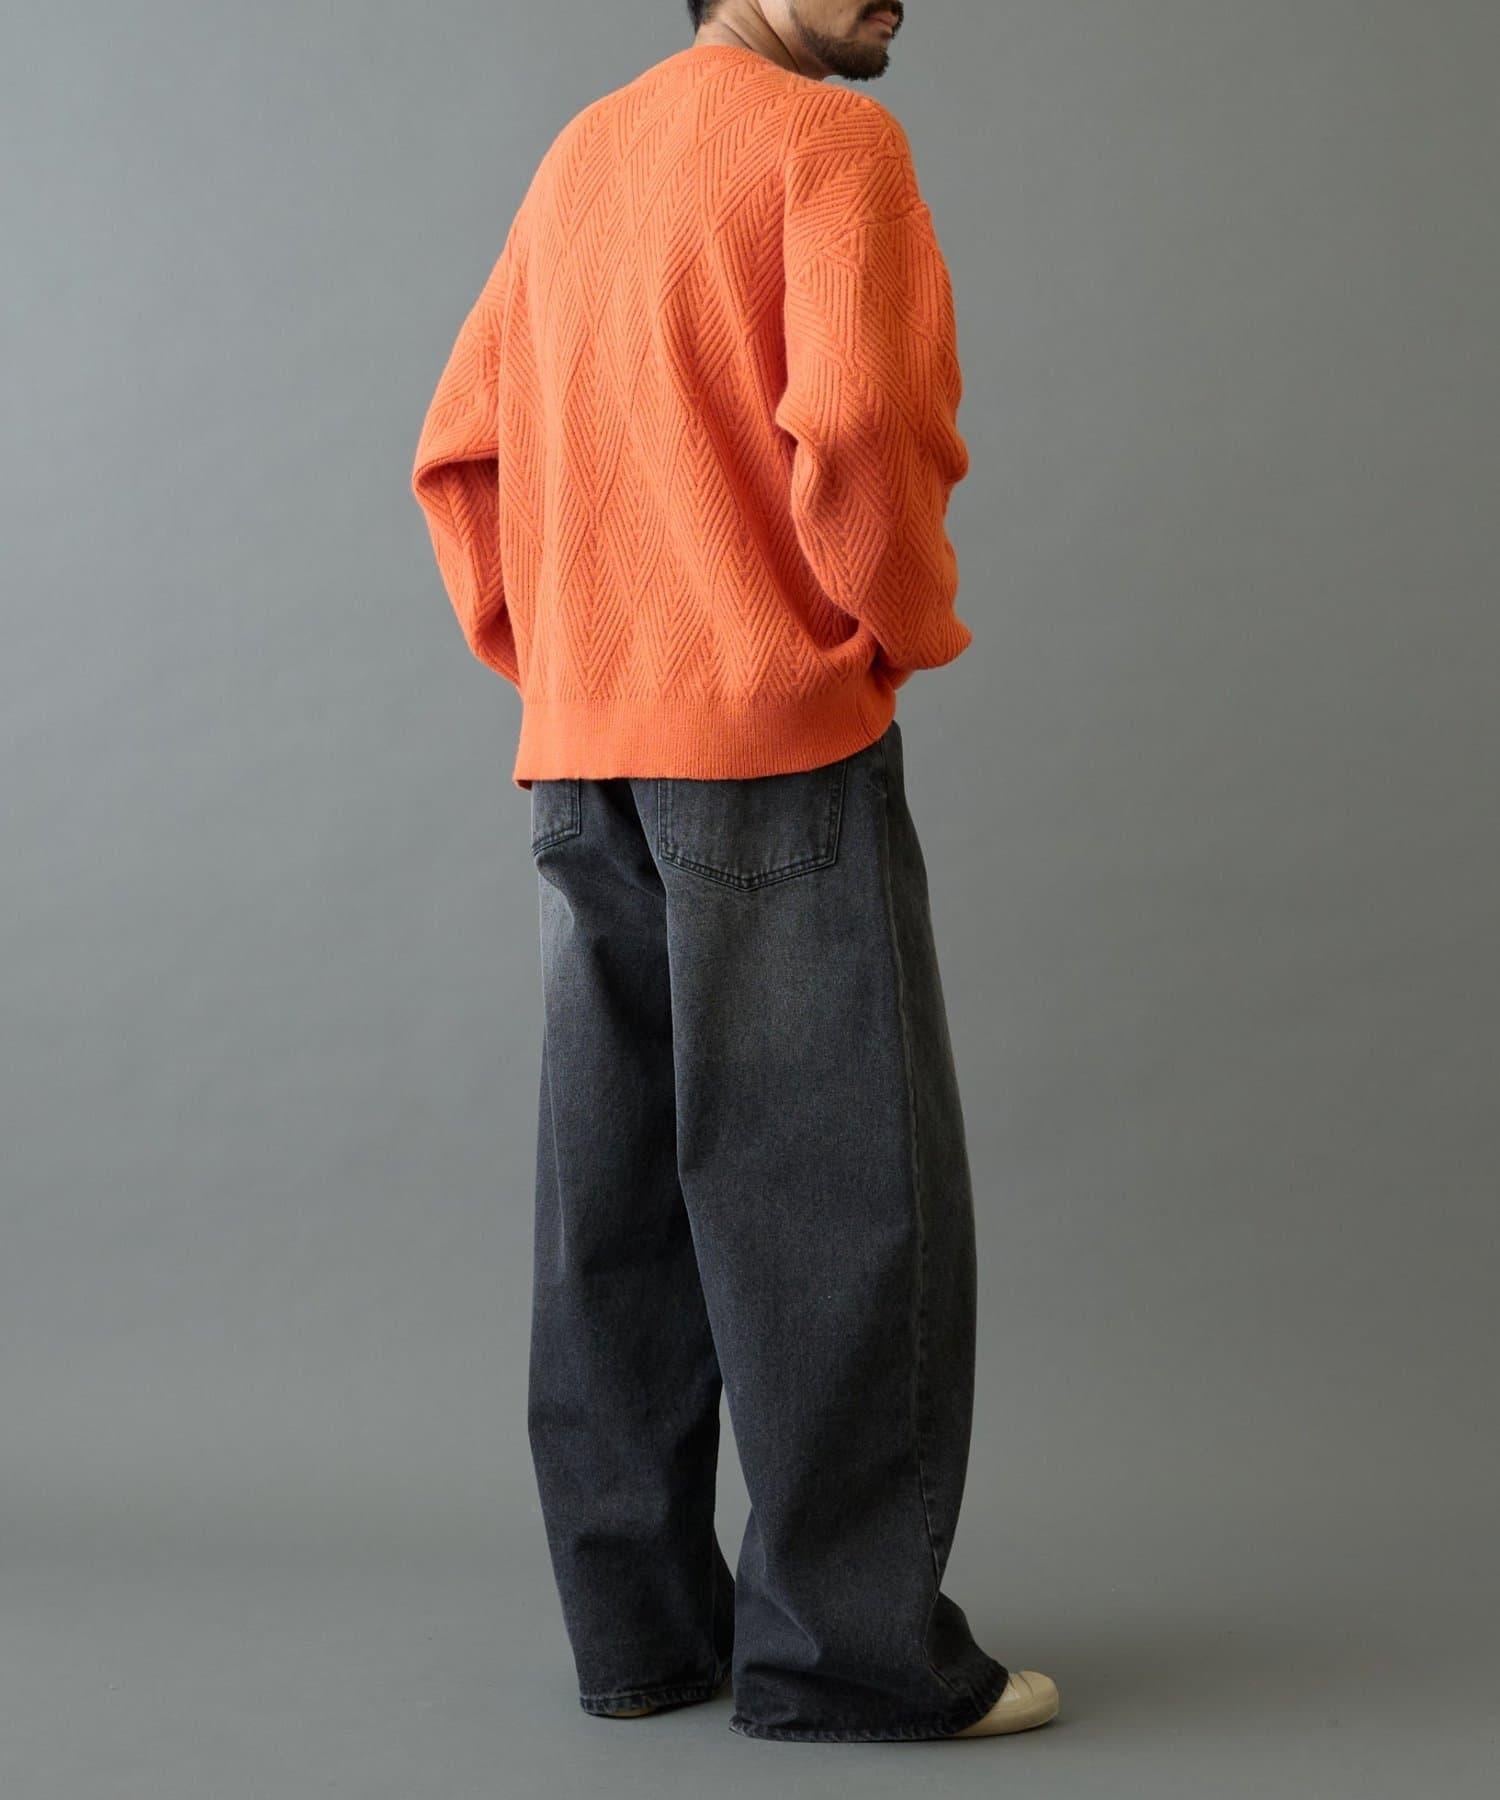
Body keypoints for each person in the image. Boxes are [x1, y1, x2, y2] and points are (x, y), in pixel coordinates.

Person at [410, 0, 1059, 1744]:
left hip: (585, 753)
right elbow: (866, 424)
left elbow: (459, 448)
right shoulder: (831, 144)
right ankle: (849, 1660)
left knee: (613, 1207)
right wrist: (891, 635)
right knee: (835, 1202)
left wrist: (568, 666)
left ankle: (640, 1639)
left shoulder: (582, 154)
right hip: (770, 742)